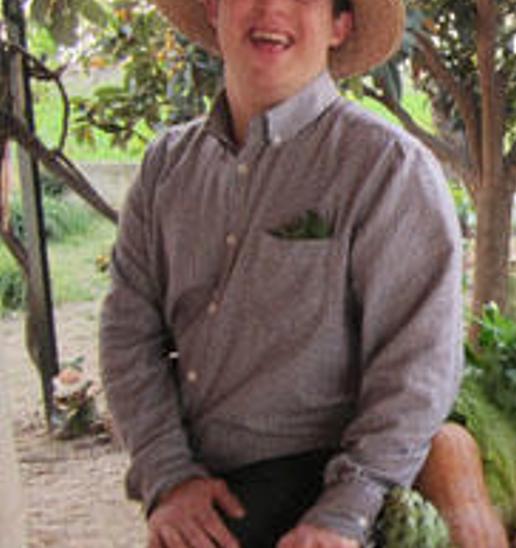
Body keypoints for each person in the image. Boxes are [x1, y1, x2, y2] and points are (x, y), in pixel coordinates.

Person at [99, 0, 464, 545]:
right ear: (215, 10)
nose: (272, 8)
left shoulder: (385, 169)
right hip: (199, 497)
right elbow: (128, 333)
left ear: (339, 25)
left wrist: (345, 513)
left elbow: (418, 367)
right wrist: (167, 476)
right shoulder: (166, 168)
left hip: (319, 489)